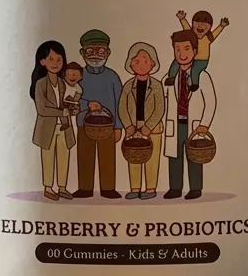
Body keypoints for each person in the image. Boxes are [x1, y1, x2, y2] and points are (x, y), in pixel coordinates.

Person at [163, 29, 216, 200]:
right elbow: (163, 97)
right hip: (175, 123)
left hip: (194, 125)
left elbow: (211, 102)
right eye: (177, 49)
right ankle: (175, 188)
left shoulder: (202, 76)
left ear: (194, 51)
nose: (181, 54)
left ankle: (195, 188)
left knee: (194, 156)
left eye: (186, 49)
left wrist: (204, 124)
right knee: (175, 156)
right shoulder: (170, 76)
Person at [74, 28, 123, 198]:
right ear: (82, 52)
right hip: (84, 123)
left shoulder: (112, 77)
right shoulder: (78, 76)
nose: (95, 55)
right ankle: (85, 188)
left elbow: (120, 102)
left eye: (100, 50)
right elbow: (73, 98)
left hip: (108, 126)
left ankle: (108, 188)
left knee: (108, 157)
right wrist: (87, 105)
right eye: (90, 50)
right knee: (85, 156)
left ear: (108, 52)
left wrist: (118, 126)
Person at [29, 41, 76, 202]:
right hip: (48, 127)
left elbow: (67, 102)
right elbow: (41, 109)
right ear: (42, 61)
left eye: (59, 59)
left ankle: (62, 187)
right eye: (51, 59)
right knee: (48, 158)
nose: (55, 63)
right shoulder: (40, 84)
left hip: (64, 126)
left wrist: (72, 109)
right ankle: (48, 187)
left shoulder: (63, 83)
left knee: (64, 156)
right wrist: (61, 111)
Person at [118, 43, 165, 200]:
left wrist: (149, 127)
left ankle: (150, 188)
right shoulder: (128, 86)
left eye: (145, 61)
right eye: (136, 61)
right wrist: (128, 126)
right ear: (130, 64)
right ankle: (135, 187)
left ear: (152, 63)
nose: (141, 64)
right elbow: (122, 108)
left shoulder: (157, 86)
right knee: (133, 155)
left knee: (152, 157)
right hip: (133, 127)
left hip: (153, 128)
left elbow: (160, 109)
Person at [165, 10, 229, 85]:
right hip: (189, 58)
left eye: (204, 25)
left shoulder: (208, 38)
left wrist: (222, 26)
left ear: (209, 27)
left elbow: (216, 32)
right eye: (197, 23)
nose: (200, 26)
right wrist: (182, 19)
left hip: (201, 60)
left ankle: (195, 84)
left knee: (195, 70)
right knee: (176, 63)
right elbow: (185, 26)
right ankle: (171, 78)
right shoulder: (190, 34)